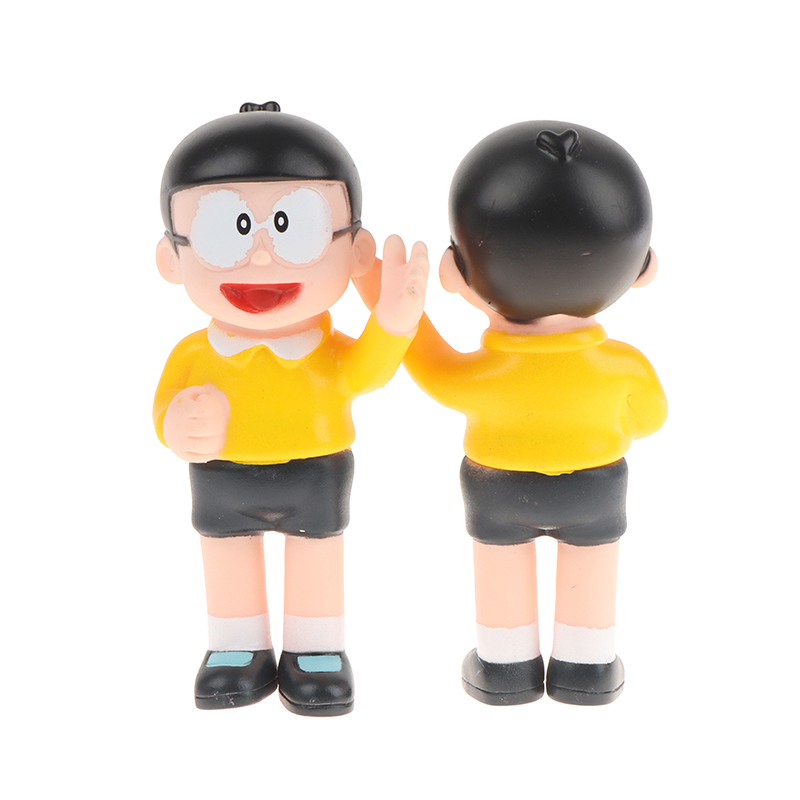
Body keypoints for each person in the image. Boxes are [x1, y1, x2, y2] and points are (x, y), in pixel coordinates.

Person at [154, 102, 428, 715]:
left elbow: (367, 372)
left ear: (355, 251)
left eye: (292, 229)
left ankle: (316, 651)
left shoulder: (327, 351)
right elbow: (163, 408)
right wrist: (175, 425)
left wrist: (392, 323)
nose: (261, 258)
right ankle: (235, 648)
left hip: (314, 470)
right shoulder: (195, 354)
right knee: (225, 554)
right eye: (228, 232)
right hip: (221, 474)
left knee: (316, 556)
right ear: (172, 258)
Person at [401, 121, 667, 705]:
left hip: (498, 486)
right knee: (592, 568)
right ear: (642, 269)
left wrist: (400, 312)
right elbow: (650, 419)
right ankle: (587, 665)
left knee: (501, 568)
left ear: (455, 273)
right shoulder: (623, 366)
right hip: (595, 486)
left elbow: (435, 371)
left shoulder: (485, 374)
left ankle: (505, 664)